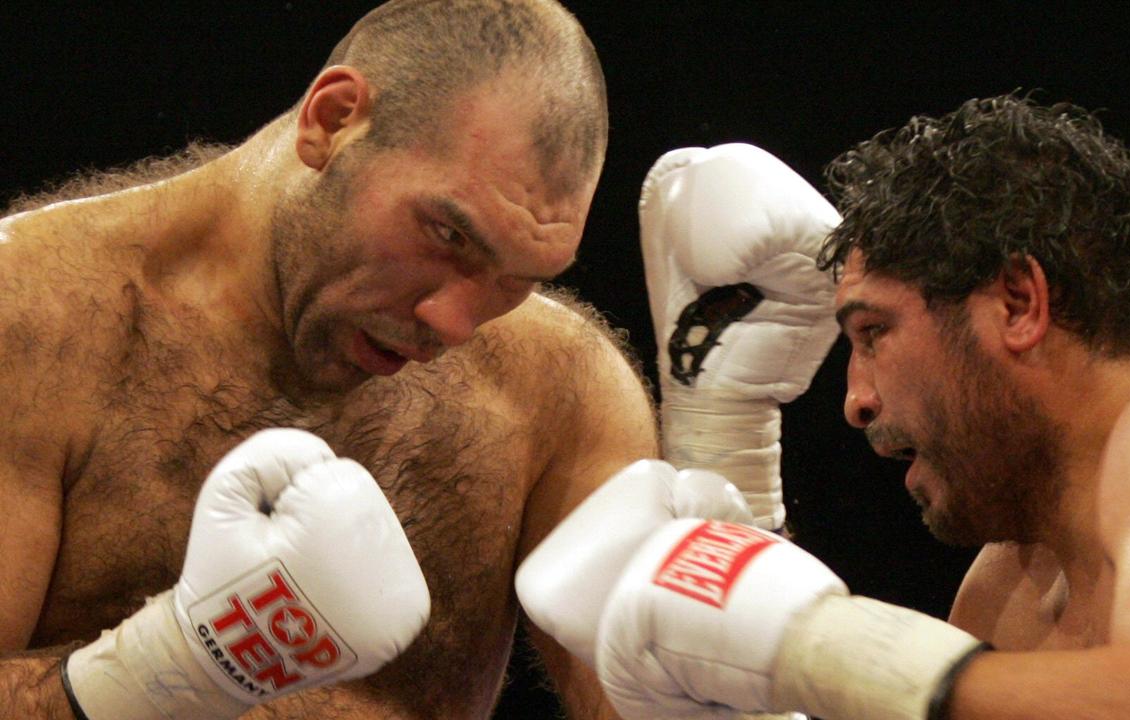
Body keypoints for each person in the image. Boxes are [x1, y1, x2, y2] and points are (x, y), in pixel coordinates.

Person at [518, 94, 1130, 720]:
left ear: (1018, 304)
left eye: (874, 331)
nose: (855, 399)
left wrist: (816, 650)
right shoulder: (1003, 594)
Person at [0, 1, 660, 718]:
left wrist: (735, 426)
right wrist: (173, 667)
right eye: (447, 233)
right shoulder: (34, 321)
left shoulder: (562, 390)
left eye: (518, 279)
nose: (453, 323)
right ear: (334, 119)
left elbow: (674, 689)